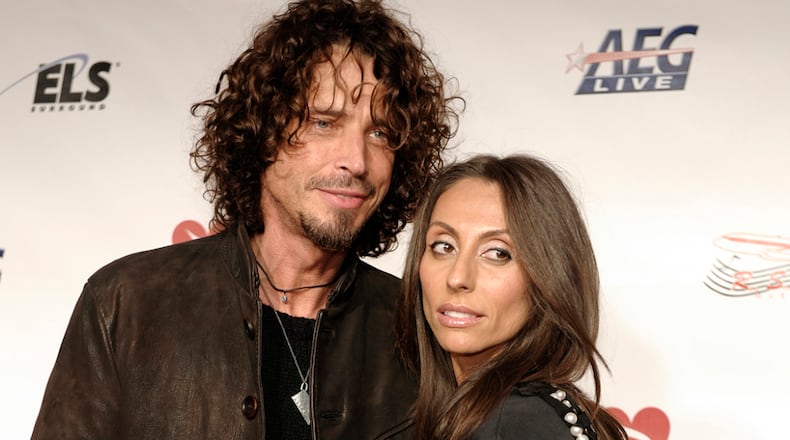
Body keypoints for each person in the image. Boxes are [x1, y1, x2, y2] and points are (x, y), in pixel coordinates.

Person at [31, 0, 458, 439]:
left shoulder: (421, 331)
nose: (357, 160)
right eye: (325, 123)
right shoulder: (125, 303)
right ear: (263, 130)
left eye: (380, 133)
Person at [396, 154, 626, 440]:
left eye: (497, 253)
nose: (457, 278)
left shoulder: (516, 424)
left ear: (548, 277)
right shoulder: (517, 414)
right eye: (444, 246)